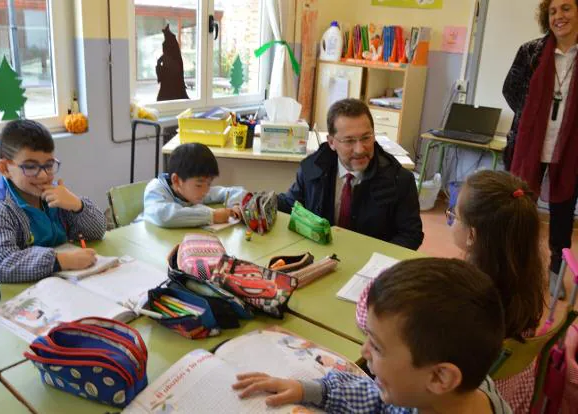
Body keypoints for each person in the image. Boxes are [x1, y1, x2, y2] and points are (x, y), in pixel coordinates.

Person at [355, 170, 544, 413]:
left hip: (452, 395)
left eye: (453, 215)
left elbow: (380, 319)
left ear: (472, 235)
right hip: (511, 392)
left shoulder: (465, 294)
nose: (451, 219)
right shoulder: (526, 276)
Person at [232, 258, 511, 414]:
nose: (364, 352)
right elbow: (378, 397)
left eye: (376, 346)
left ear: (440, 378)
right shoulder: (448, 393)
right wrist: (308, 389)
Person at [503, 0, 578, 298]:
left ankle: (555, 268)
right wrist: (532, 116)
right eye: (553, 11)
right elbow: (510, 88)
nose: (559, 16)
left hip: (571, 148)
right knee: (519, 206)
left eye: (567, 8)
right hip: (529, 144)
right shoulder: (530, 51)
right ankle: (515, 265)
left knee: (562, 209)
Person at [277, 99, 423, 250]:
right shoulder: (312, 168)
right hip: (319, 257)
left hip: (372, 264)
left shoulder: (400, 180)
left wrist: (380, 262)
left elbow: (411, 235)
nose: (360, 149)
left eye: (366, 138)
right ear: (332, 142)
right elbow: (291, 205)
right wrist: (259, 201)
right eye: (349, 141)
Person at [0, 119, 106, 283]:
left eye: (49, 165)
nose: (43, 175)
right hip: (7, 295)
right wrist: (61, 261)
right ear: (5, 168)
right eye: (30, 167)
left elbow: (98, 231)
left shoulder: (56, 195)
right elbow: (0, 264)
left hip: (55, 283)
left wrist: (77, 205)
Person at [143, 143, 245, 228]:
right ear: (176, 180)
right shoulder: (156, 189)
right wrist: (212, 216)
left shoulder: (195, 191)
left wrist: (235, 205)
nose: (205, 191)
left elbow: (236, 191)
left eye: (209, 183)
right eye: (199, 184)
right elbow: (163, 216)